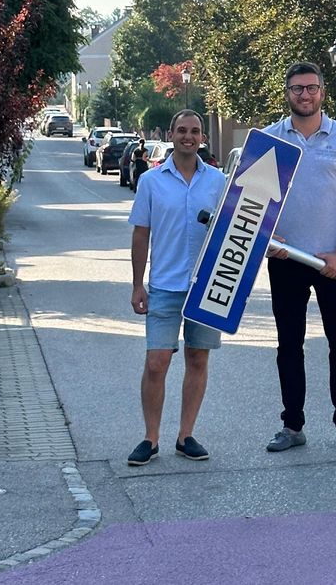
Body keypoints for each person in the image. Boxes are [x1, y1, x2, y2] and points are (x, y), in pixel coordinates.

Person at [264, 62, 336, 452]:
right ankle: (292, 426)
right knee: (289, 345)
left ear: (322, 92)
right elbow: (252, 202)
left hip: (333, 262)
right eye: (297, 88)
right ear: (287, 93)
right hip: (286, 259)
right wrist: (265, 237)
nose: (304, 95)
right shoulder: (271, 139)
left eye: (311, 88)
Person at [126, 110, 226, 466]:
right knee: (156, 363)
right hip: (165, 286)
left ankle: (186, 436)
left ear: (202, 138)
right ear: (171, 135)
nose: (188, 136)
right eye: (182, 130)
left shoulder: (219, 182)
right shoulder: (151, 181)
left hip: (206, 287)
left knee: (198, 358)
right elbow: (141, 234)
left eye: (195, 131)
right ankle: (150, 439)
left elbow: (236, 230)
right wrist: (137, 284)